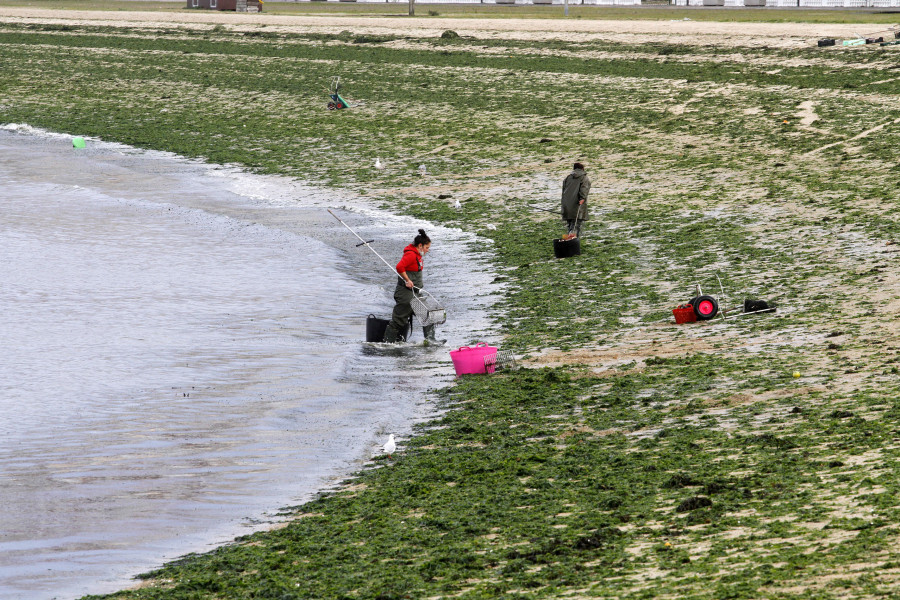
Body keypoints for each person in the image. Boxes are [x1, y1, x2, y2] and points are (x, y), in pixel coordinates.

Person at [383, 229, 445, 346]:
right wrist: (407, 280)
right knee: (398, 321)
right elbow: (399, 267)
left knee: (427, 314)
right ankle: (386, 345)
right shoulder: (411, 255)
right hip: (406, 294)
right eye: (427, 248)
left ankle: (431, 340)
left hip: (416, 294)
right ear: (420, 246)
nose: (427, 251)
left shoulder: (417, 255)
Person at [561, 162, 591, 238]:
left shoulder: (568, 177)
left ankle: (568, 240)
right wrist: (582, 198)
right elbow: (584, 189)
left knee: (570, 225)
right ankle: (573, 242)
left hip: (567, 205)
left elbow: (564, 191)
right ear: (582, 169)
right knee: (576, 225)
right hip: (577, 204)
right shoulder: (584, 178)